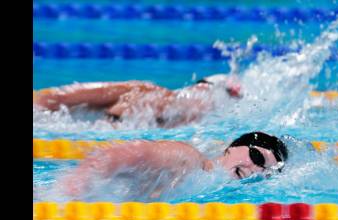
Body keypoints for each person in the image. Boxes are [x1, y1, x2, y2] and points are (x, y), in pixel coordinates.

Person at [60, 132, 288, 199]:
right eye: (258, 158)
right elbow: (127, 153)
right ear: (232, 147)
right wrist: (71, 190)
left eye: (265, 173)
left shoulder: (210, 187)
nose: (256, 170)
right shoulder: (189, 159)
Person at [33, 74, 242, 128]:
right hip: (143, 101)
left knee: (57, 99)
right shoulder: (194, 104)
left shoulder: (152, 91)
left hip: (140, 96)